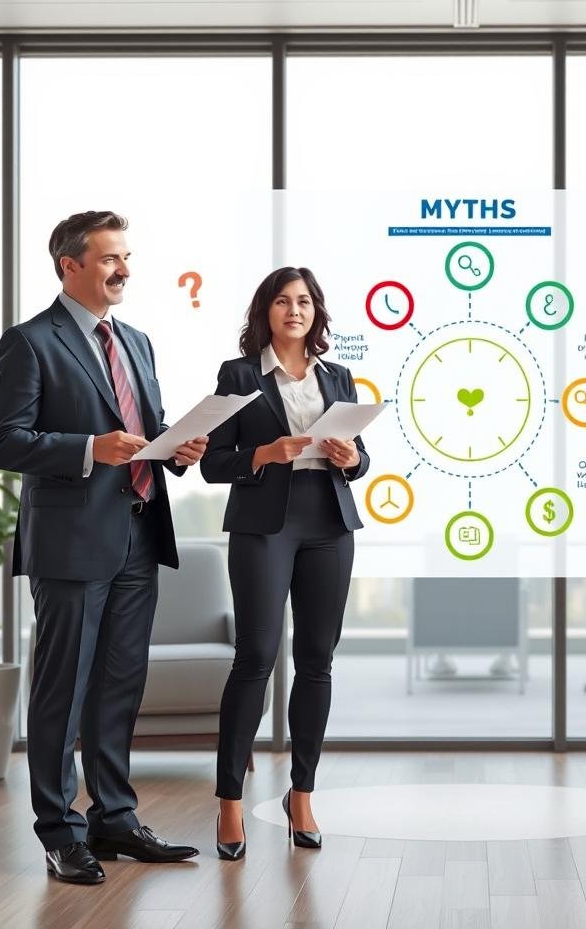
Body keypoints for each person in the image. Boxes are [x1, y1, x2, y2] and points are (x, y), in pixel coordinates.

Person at [0, 211, 208, 885]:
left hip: (139, 533)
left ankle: (116, 819)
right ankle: (61, 832)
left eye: (127, 257)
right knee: (62, 689)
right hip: (72, 543)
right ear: (69, 265)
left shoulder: (135, 340)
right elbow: (4, 442)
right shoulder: (30, 343)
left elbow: (145, 426)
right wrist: (88, 449)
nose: (124, 269)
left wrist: (178, 448)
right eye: (110, 258)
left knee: (118, 688)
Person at [201, 266, 369, 860]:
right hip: (263, 527)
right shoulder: (240, 375)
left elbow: (360, 460)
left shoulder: (339, 376)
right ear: (265, 312)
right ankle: (228, 803)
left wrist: (351, 459)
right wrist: (267, 453)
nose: (294, 310)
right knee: (254, 658)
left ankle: (302, 795)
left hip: (329, 525)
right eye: (282, 301)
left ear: (316, 311)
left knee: (317, 663)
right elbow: (212, 463)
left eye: (303, 301)